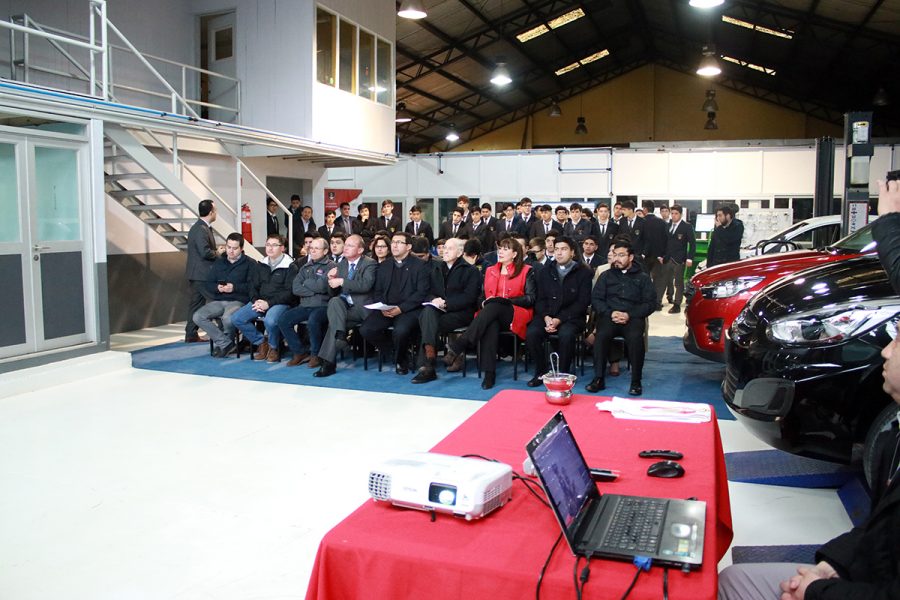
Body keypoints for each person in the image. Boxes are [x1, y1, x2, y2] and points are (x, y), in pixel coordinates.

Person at [718, 317, 900, 599]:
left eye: (898, 342)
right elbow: (879, 529)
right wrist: (832, 565)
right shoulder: (893, 436)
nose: (886, 351)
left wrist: (816, 591)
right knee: (733, 579)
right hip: (862, 576)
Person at [444, 238, 535, 390]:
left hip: (515, 313)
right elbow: (480, 297)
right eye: (500, 248)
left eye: (506, 249)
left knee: (496, 305)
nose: (500, 251)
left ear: (514, 254)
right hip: (490, 314)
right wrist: (485, 303)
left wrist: (505, 300)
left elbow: (531, 298)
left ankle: (461, 343)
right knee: (491, 322)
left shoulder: (526, 270)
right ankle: (489, 374)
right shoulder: (490, 270)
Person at [585, 240, 655, 396]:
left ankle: (636, 381)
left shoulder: (643, 277)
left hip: (633, 318)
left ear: (630, 257)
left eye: (621, 255)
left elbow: (650, 303)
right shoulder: (605, 276)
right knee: (601, 336)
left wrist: (629, 314)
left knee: (636, 339)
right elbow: (596, 299)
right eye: (615, 255)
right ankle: (598, 378)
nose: (617, 259)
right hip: (610, 316)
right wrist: (610, 313)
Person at [359, 231, 431, 374]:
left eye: (399, 242)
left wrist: (401, 308)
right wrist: (382, 307)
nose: (395, 245)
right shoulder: (385, 265)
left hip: (409, 309)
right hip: (386, 308)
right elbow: (377, 291)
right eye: (393, 242)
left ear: (409, 246)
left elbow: (421, 293)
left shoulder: (420, 265)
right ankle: (395, 353)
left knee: (401, 330)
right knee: (366, 329)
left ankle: (400, 360)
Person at [411, 237, 481, 384]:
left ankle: (427, 364)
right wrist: (434, 300)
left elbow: (470, 297)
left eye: (449, 248)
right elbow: (428, 291)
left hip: (461, 312)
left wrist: (446, 303)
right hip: (438, 310)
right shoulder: (436, 268)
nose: (444, 251)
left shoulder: (471, 270)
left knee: (427, 320)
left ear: (460, 251)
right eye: (443, 248)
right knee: (428, 313)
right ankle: (430, 361)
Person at [526, 237, 592, 386]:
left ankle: (563, 374)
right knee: (532, 333)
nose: (559, 253)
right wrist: (546, 317)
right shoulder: (544, 271)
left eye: (564, 249)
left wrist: (559, 319)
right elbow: (540, 299)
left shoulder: (583, 272)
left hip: (572, 317)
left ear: (572, 252)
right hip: (548, 315)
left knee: (566, 334)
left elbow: (582, 303)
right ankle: (541, 372)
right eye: (556, 249)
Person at [314, 234, 377, 378]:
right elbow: (333, 292)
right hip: (344, 307)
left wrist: (342, 281)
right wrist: (330, 279)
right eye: (346, 245)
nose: (345, 248)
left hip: (361, 308)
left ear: (360, 250)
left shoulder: (369, 263)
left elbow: (365, 285)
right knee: (335, 301)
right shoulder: (341, 264)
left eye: (350, 245)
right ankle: (340, 337)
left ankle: (328, 362)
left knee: (334, 324)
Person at [231, 233, 298, 362]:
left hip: (280, 303)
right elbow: (252, 286)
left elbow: (290, 292)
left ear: (282, 248)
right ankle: (261, 342)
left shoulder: (290, 266)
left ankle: (274, 347)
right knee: (237, 318)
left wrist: (269, 303)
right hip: (260, 301)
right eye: (268, 245)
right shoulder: (261, 265)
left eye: (274, 245)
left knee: (270, 321)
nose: (270, 248)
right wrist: (256, 301)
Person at [277, 237, 336, 368]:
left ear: (325, 251)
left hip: (323, 305)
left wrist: (307, 283)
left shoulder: (331, 266)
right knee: (283, 320)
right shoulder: (305, 267)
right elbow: (295, 288)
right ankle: (299, 352)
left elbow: (322, 287)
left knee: (313, 320)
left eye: (317, 248)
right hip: (305, 305)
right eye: (311, 248)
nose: (313, 250)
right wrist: (313, 289)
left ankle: (316, 354)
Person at [193, 232, 252, 357]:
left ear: (241, 249)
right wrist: (217, 288)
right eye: (228, 247)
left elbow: (253, 287)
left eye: (235, 248)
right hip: (220, 299)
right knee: (198, 316)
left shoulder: (249, 264)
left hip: (239, 300)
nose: (231, 251)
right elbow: (209, 283)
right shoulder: (219, 262)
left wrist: (234, 288)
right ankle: (226, 343)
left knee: (227, 318)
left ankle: (225, 344)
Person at [184, 199, 218, 343]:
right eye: (215, 210)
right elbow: (205, 252)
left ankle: (191, 334)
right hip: (202, 275)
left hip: (197, 274)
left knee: (196, 304)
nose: (216, 213)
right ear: (211, 212)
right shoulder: (201, 229)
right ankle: (224, 332)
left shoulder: (201, 227)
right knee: (218, 301)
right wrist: (219, 252)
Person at [661, 205, 695, 314]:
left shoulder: (686, 226)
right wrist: (662, 255)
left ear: (681, 214)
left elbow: (692, 244)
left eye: (676, 213)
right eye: (672, 213)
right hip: (667, 258)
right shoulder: (668, 225)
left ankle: (677, 304)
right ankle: (662, 300)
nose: (674, 215)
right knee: (665, 280)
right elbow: (665, 242)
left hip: (679, 259)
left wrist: (690, 258)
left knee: (679, 283)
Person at [641, 199, 669, 310]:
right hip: (659, 256)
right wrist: (663, 254)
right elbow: (666, 240)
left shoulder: (641, 222)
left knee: (644, 279)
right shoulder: (662, 223)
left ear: (645, 209)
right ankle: (657, 302)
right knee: (659, 280)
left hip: (644, 256)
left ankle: (647, 301)